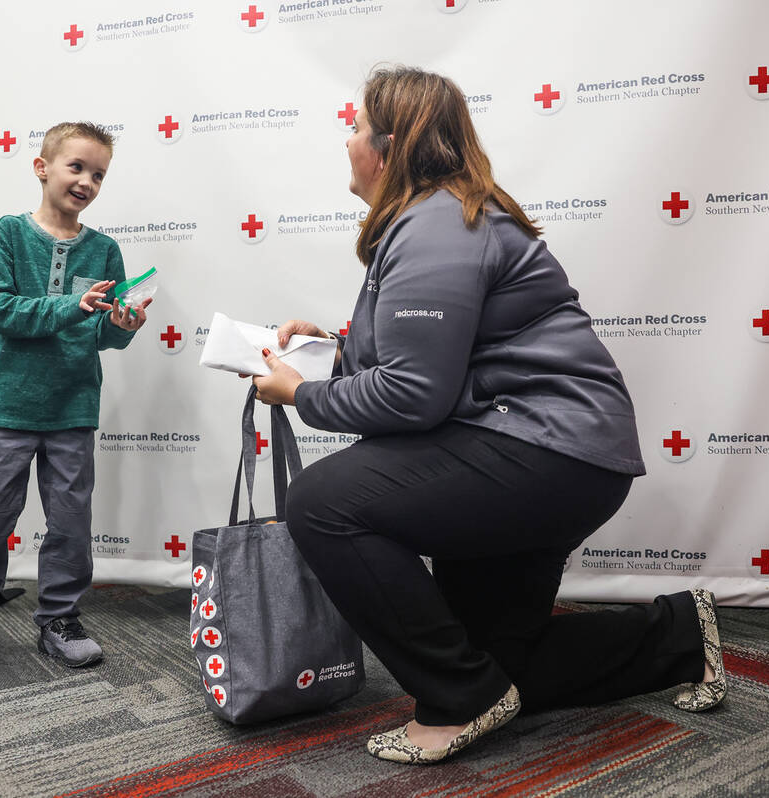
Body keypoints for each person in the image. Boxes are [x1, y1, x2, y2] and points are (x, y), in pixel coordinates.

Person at [251, 66, 728, 765]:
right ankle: (678, 636)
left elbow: (414, 396)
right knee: (502, 662)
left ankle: (458, 700)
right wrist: (331, 348)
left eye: (354, 127)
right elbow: (425, 359)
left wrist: (301, 395)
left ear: (390, 145)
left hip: (544, 452)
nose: (346, 141)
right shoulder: (436, 218)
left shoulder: (437, 224)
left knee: (322, 501)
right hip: (546, 452)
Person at [0, 122, 153, 674]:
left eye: (98, 174)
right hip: (9, 405)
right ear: (43, 168)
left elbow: (102, 335)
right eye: (76, 167)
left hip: (73, 409)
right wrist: (70, 310)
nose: (87, 181)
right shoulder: (8, 234)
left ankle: (60, 618)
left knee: (71, 521)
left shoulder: (105, 251)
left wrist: (124, 324)